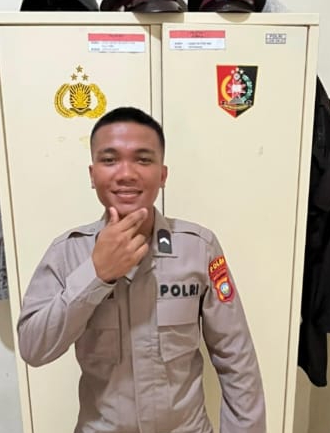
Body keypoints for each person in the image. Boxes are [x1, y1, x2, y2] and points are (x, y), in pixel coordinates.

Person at [17, 106, 267, 433]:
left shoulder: (198, 247)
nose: (126, 173)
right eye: (110, 160)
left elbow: (237, 360)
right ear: (92, 175)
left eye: (143, 160)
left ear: (162, 175)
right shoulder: (68, 252)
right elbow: (33, 348)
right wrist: (96, 274)